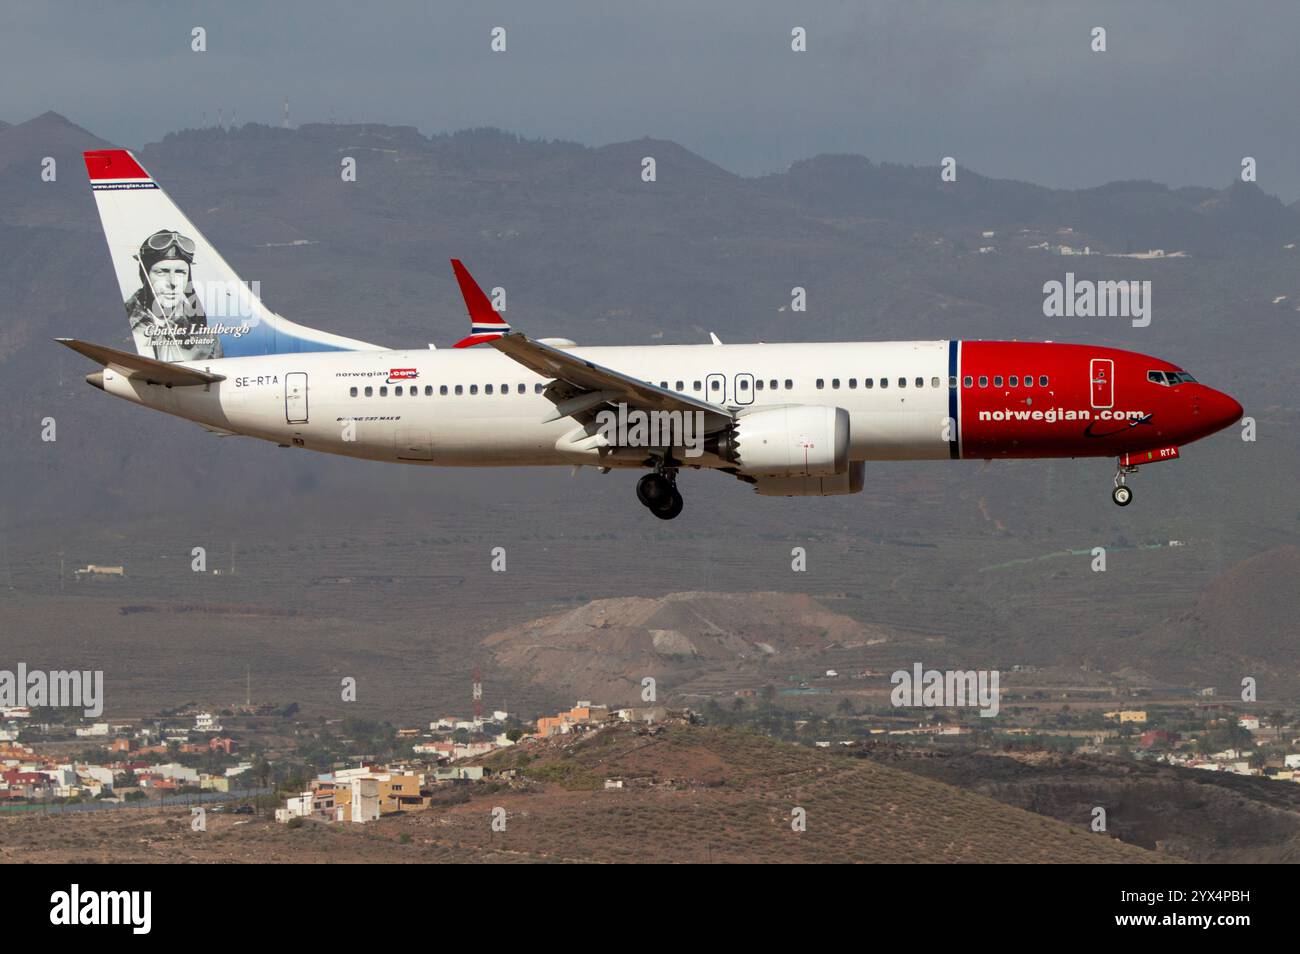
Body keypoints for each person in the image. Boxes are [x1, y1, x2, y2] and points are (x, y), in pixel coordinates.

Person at [124, 229, 223, 361]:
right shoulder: (123, 320)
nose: (172, 282)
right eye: (162, 272)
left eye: (180, 272)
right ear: (145, 275)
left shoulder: (204, 334)